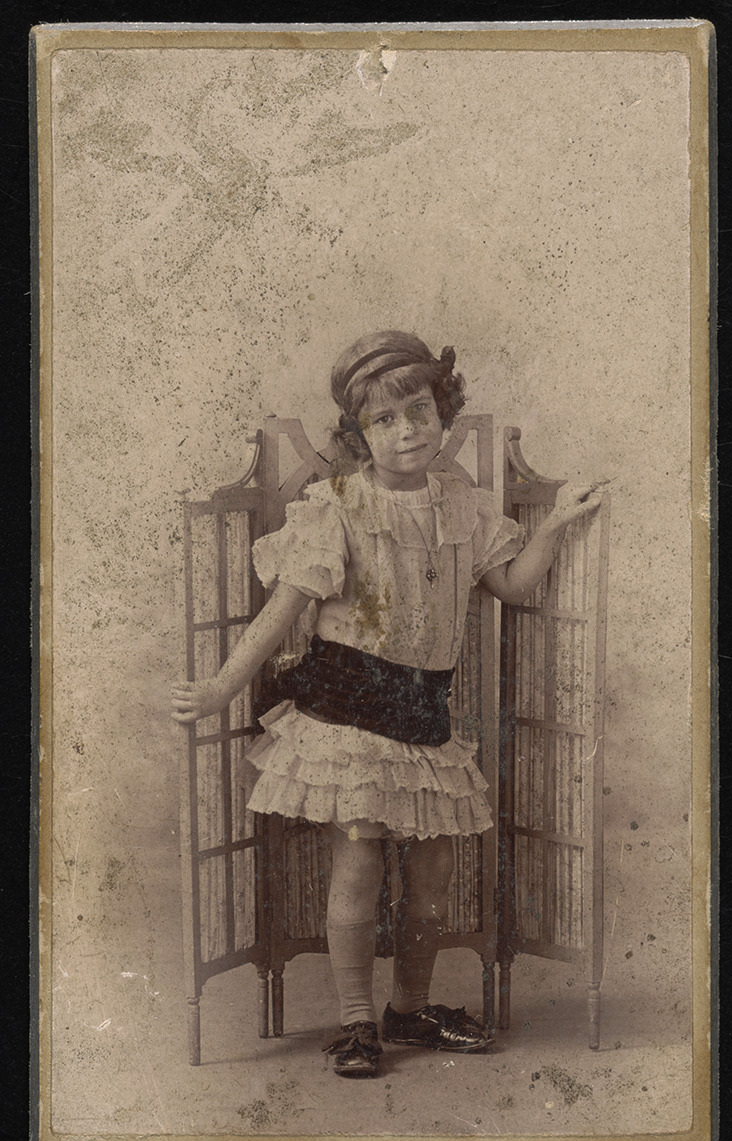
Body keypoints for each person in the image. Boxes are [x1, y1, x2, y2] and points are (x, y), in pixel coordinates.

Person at [171, 330, 601, 1079]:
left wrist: (557, 524)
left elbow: (513, 588)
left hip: (424, 718)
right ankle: (356, 1021)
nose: (407, 431)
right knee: (361, 855)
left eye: (420, 412)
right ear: (357, 434)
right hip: (348, 708)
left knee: (432, 875)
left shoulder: (462, 506)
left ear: (445, 413)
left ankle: (410, 1007)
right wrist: (218, 689)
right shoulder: (336, 505)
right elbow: (280, 614)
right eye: (384, 421)